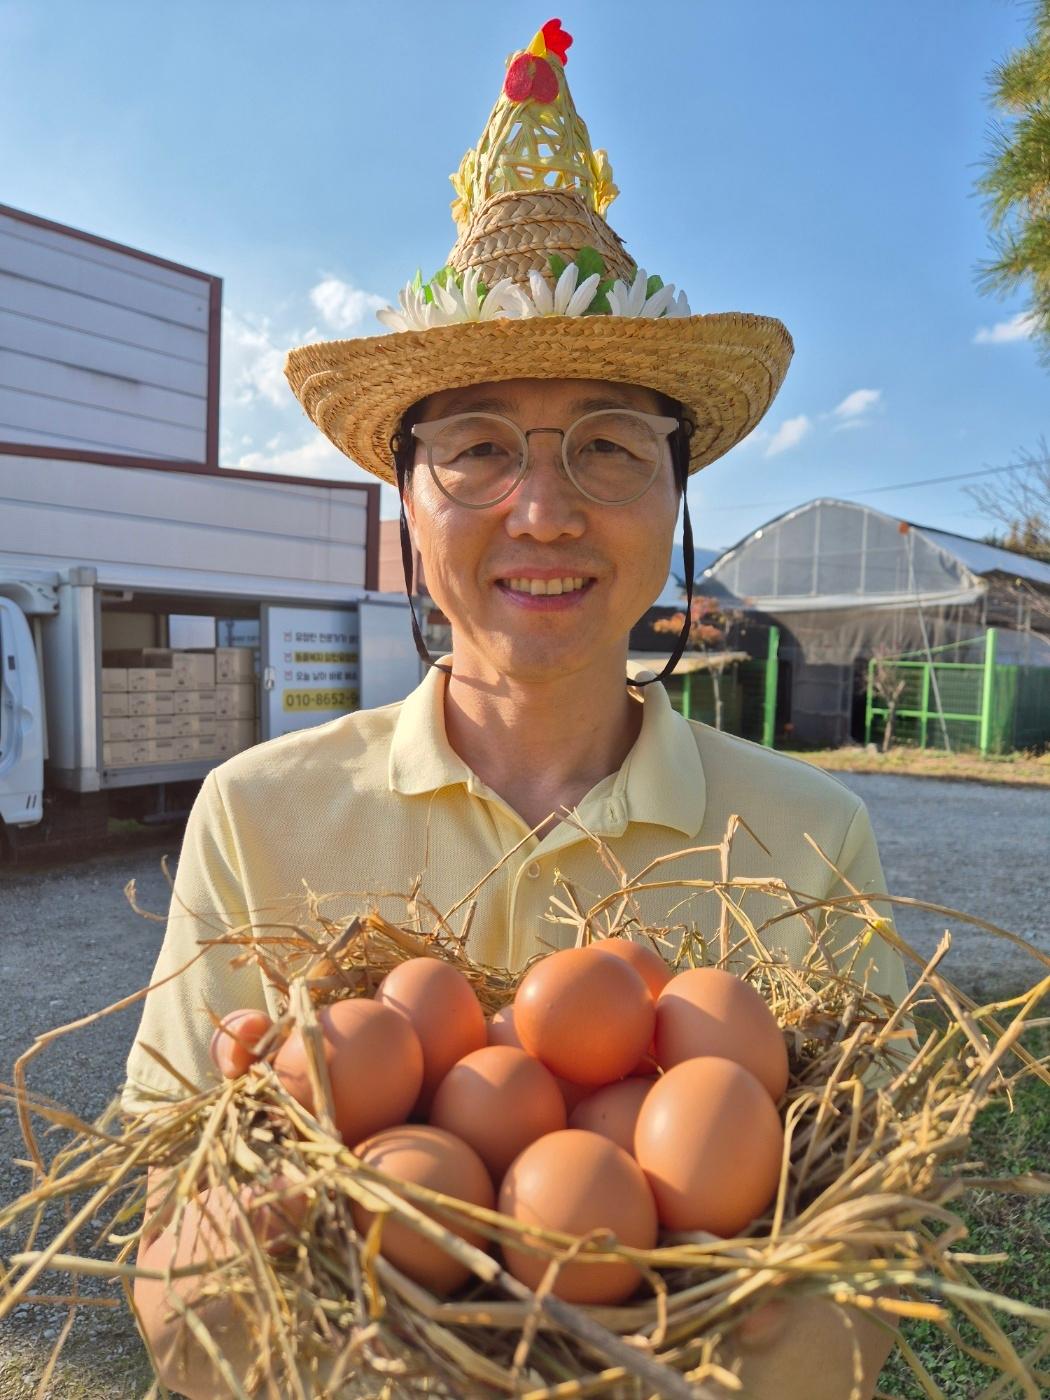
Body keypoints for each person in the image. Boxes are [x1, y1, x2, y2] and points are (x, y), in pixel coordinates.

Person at [125, 19, 907, 1398]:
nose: (542, 508)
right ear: (405, 506)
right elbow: (169, 1260)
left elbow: (870, 1243)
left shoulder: (804, 832)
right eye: (477, 447)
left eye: (608, 444)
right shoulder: (259, 817)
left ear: (676, 503)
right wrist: (232, 1273)